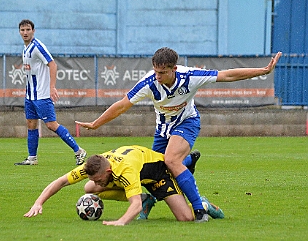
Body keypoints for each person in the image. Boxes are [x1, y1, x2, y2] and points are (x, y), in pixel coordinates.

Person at [75, 47, 282, 221]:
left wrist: (263, 70)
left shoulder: (189, 77)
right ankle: (170, 186)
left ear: (174, 69)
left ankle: (199, 210)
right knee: (152, 174)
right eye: (155, 71)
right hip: (162, 130)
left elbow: (227, 75)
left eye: (162, 72)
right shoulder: (149, 83)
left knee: (171, 160)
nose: (157, 76)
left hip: (187, 122)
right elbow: (121, 105)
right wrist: (95, 123)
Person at [23, 145, 224, 225]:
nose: (96, 182)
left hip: (157, 174)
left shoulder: (125, 171)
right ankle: (148, 199)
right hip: (137, 172)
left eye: (99, 178)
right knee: (88, 189)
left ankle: (204, 204)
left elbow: (133, 205)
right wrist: (38, 202)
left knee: (185, 218)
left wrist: (121, 221)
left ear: (108, 171)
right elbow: (60, 182)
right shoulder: (93, 166)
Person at [15, 19, 86, 166]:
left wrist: (52, 87)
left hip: (41, 95)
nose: (25, 32)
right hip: (30, 95)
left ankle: (79, 151)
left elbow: (52, 64)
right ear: (19, 32)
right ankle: (32, 158)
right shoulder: (25, 48)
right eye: (23, 30)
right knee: (31, 124)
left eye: (28, 30)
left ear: (33, 31)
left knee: (51, 125)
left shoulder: (37, 46)